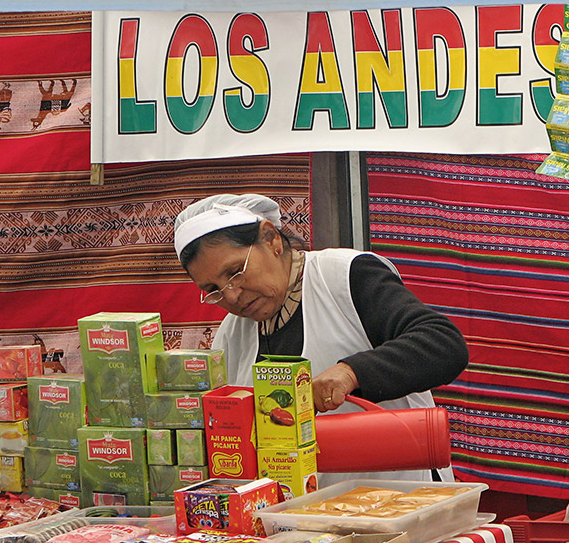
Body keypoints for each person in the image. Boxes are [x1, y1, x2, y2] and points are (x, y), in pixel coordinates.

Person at [173, 193, 469, 484]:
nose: (232, 295)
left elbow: (443, 343)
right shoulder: (232, 334)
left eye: (236, 272)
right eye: (213, 289)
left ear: (271, 239)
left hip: (402, 499)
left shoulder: (343, 278)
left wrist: (351, 372)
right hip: (311, 519)